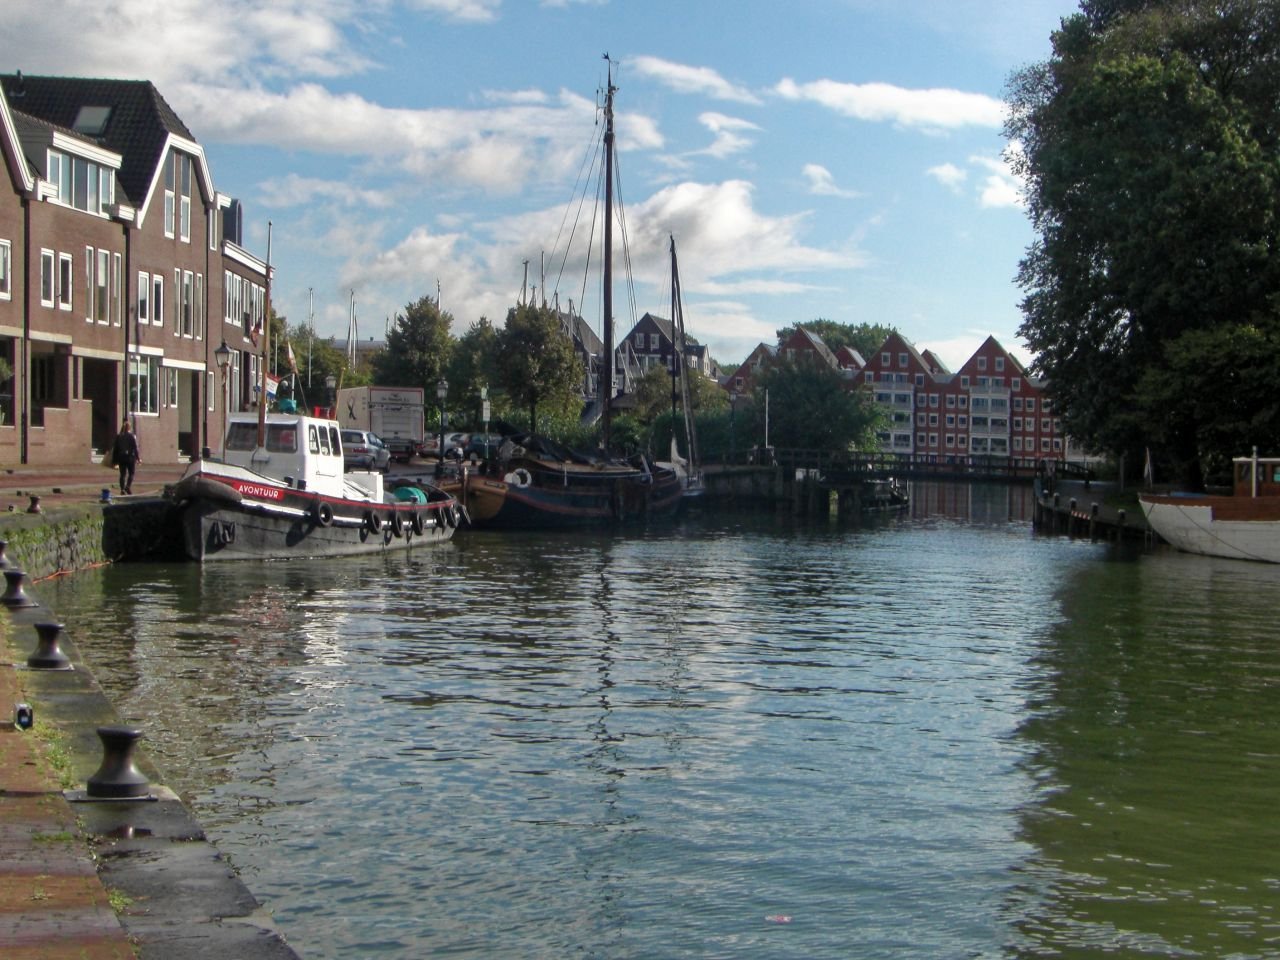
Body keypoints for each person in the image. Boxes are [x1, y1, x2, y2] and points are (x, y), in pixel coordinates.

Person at [111, 419, 141, 495]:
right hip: (130, 458)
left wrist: (114, 461)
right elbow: (135, 448)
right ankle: (128, 486)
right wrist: (138, 458)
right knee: (131, 473)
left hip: (121, 458)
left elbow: (115, 449)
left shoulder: (119, 436)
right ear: (129, 428)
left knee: (122, 474)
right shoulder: (132, 436)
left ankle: (122, 490)